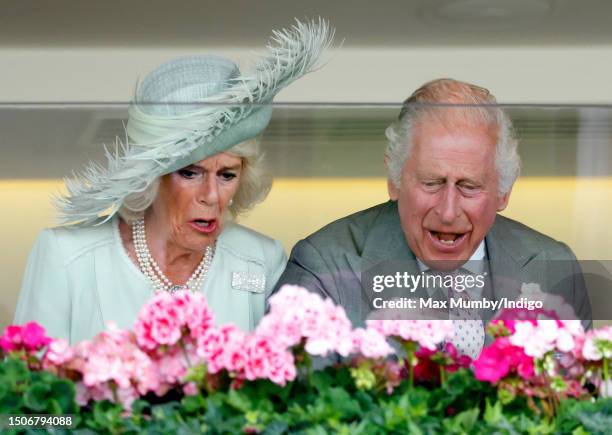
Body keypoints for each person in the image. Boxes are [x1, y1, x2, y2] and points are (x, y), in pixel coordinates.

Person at [14, 19, 334, 344]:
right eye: (190, 173)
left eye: (227, 175)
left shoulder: (260, 258)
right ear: (150, 180)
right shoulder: (68, 257)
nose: (211, 196)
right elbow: (28, 387)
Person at [274, 78, 592, 358]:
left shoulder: (553, 266)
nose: (448, 211)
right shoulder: (324, 265)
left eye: (469, 187)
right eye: (431, 183)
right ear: (394, 179)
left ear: (504, 192)